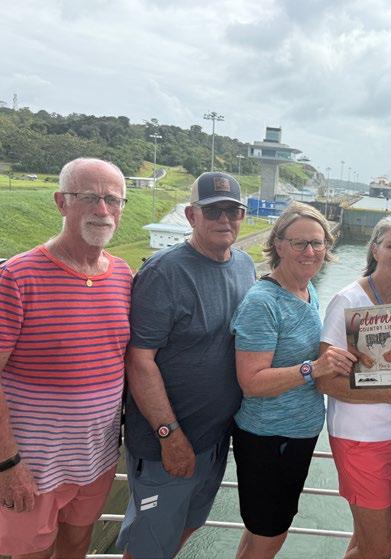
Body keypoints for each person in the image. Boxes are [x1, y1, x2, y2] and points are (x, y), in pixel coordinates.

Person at [116, 172, 256, 559]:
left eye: (232, 210)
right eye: (212, 211)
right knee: (148, 546)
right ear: (192, 215)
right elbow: (139, 360)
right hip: (167, 442)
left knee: (187, 526)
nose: (224, 219)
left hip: (215, 439)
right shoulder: (164, 273)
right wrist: (169, 435)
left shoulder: (244, 266)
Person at [0, 158, 132, 558]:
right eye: (89, 197)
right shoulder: (17, 277)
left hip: (97, 460)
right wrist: (7, 463)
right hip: (32, 466)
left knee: (76, 546)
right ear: (61, 202)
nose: (103, 209)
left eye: (113, 199)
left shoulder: (123, 276)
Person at [230, 202, 355, 559]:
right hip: (269, 438)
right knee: (270, 535)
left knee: (260, 532)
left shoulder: (305, 289)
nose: (310, 251)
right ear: (279, 245)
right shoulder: (263, 302)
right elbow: (251, 381)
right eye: (300, 243)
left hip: (294, 435)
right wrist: (313, 368)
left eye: (317, 243)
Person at [317, 214, 391, 559]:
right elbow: (325, 380)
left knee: (363, 541)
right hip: (359, 438)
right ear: (375, 250)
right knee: (379, 549)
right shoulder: (348, 301)